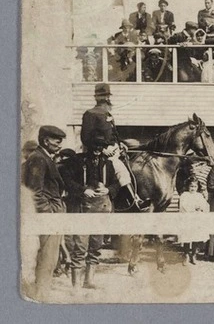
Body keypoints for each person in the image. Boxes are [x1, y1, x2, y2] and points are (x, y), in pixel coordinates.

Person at [59, 135, 120, 290]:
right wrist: (83, 190)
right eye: (95, 147)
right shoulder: (77, 161)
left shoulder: (108, 164)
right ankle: (76, 285)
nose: (98, 151)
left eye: (101, 148)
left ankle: (89, 281)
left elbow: (116, 184)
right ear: (88, 147)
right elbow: (66, 179)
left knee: (96, 245)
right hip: (82, 209)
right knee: (80, 246)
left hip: (101, 210)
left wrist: (108, 189)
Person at [80, 83, 150, 211]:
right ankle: (135, 200)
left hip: (115, 149)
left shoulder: (108, 113)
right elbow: (85, 138)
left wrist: (120, 143)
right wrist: (102, 149)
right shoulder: (90, 114)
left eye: (106, 95)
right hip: (99, 153)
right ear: (96, 97)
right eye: (101, 96)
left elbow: (114, 134)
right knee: (120, 170)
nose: (104, 99)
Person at [22, 125, 67, 299]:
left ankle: (41, 294)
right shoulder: (39, 159)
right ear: (46, 141)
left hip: (52, 214)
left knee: (50, 259)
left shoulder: (43, 157)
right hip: (48, 216)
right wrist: (48, 214)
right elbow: (35, 192)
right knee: (47, 259)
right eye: (57, 140)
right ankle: (40, 296)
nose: (60, 143)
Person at [178, 178, 210, 265]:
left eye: (195, 186)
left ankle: (193, 254)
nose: (193, 188)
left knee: (196, 236)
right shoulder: (184, 195)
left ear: (197, 187)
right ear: (188, 186)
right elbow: (183, 206)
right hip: (187, 219)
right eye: (191, 186)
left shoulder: (199, 195)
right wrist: (194, 208)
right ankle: (186, 254)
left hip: (197, 219)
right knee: (187, 237)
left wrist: (202, 208)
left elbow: (205, 205)